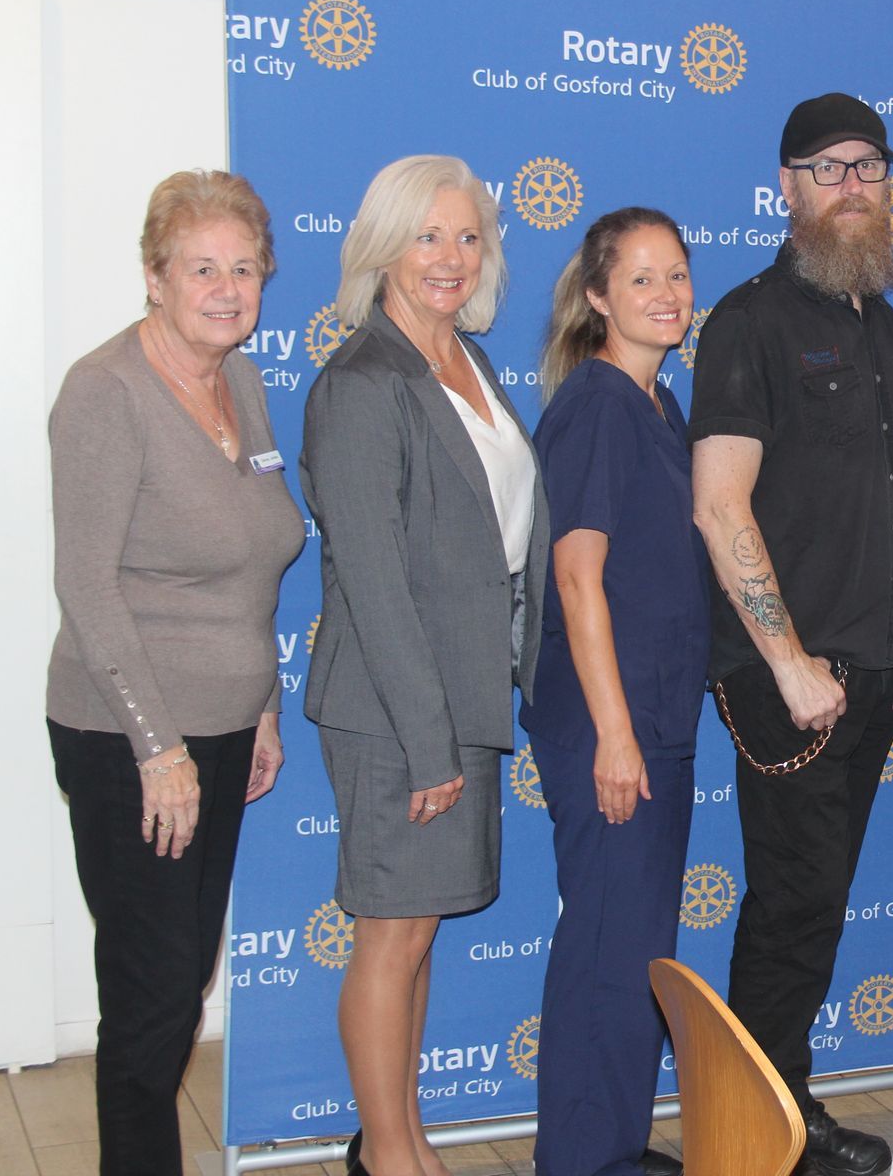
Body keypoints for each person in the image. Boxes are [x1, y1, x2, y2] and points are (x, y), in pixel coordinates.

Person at [46, 169, 303, 1176]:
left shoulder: (240, 379)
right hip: (126, 735)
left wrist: (265, 704)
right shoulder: (106, 390)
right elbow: (87, 583)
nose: (227, 287)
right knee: (152, 992)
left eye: (244, 267)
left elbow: (254, 557)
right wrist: (160, 749)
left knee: (180, 975)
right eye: (202, 267)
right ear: (154, 277)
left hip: (225, 727)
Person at [300, 155, 548, 1176]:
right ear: (381, 246)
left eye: (468, 235)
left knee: (418, 935)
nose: (450, 257)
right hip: (398, 711)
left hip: (461, 696)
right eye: (427, 235)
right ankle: (395, 1155)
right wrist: (428, 739)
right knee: (391, 936)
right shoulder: (363, 379)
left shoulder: (467, 360)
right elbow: (372, 579)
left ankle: (396, 1134)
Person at [688, 92, 893, 1176]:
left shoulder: (878, 318)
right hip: (790, 676)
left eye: (867, 165)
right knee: (789, 908)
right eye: (826, 168)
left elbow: (883, 501)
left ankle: (775, 1109)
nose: (851, 186)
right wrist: (787, 661)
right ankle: (757, 1134)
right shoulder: (749, 321)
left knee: (814, 904)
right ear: (786, 185)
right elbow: (721, 504)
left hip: (869, 669)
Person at [524, 209, 706, 1176]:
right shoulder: (595, 405)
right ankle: (586, 1162)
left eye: (676, 275)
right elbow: (576, 577)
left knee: (633, 949)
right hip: (612, 723)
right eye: (641, 279)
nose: (667, 294)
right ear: (597, 296)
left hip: (654, 716)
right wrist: (615, 735)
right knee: (605, 951)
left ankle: (616, 1152)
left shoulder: (659, 403)